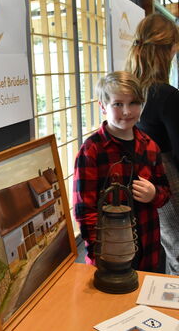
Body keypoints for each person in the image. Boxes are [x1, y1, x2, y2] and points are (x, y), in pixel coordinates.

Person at [73, 71, 170, 271]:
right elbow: (84, 211)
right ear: (103, 106)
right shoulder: (91, 150)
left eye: (133, 103)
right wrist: (97, 253)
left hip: (148, 249)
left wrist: (154, 194)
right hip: (109, 254)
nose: (127, 111)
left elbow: (165, 193)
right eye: (118, 104)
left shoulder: (150, 146)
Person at [126, 13, 179, 274]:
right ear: (167, 51)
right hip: (167, 180)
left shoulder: (130, 89)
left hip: (139, 178)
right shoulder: (166, 95)